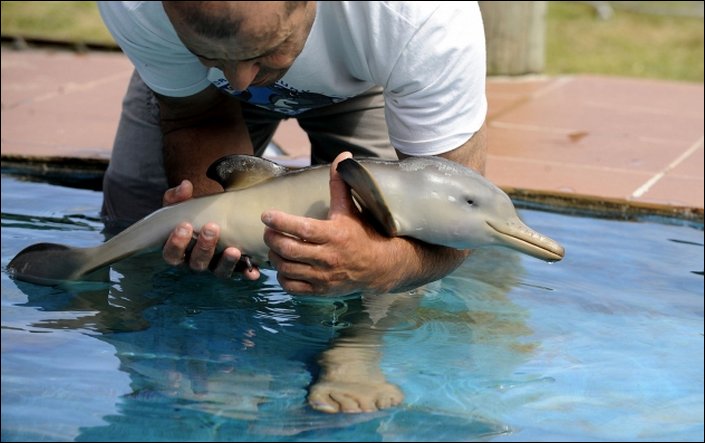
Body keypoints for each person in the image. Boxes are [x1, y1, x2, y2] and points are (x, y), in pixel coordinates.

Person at [98, 1, 487, 413]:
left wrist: (377, 260)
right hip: (201, 95)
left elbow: (452, 220)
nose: (241, 79)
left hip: (363, 75)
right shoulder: (136, 6)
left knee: (394, 228)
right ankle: (166, 346)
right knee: (138, 223)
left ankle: (355, 346)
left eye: (268, 49)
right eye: (211, 52)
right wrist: (214, 217)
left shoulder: (419, 18)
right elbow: (196, 115)